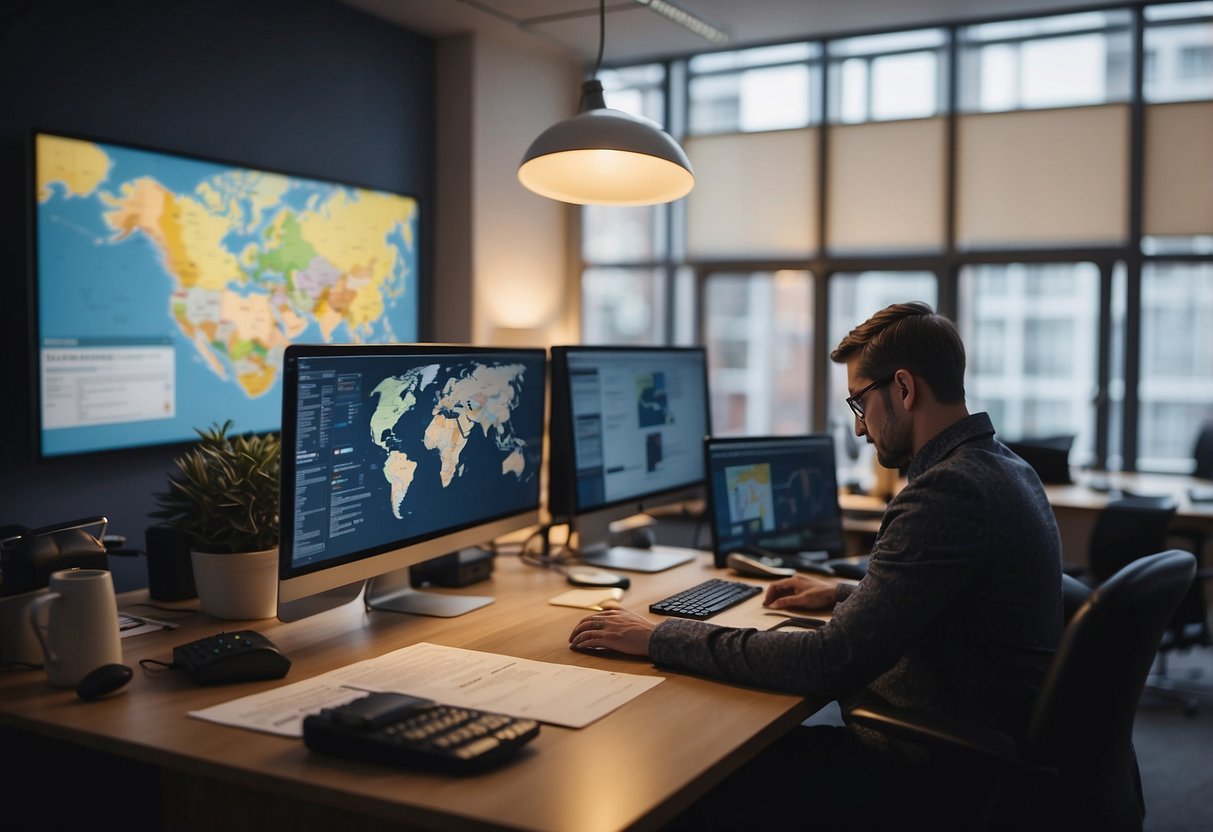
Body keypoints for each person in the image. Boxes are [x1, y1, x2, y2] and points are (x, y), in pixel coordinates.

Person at [568, 301, 1064, 826]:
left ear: (903, 388)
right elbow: (955, 600)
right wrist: (841, 594)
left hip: (921, 780)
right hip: (973, 750)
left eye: (859, 403)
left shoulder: (947, 491)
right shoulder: (1005, 466)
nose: (858, 429)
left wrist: (657, 636)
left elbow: (828, 661)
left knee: (689, 774)